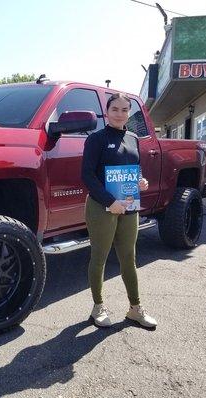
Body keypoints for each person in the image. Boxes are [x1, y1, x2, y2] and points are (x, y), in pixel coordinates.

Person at [81, 92, 157, 328]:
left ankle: (135, 308)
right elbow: (87, 176)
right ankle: (98, 307)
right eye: (115, 109)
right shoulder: (96, 139)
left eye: (125, 110)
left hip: (128, 205)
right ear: (107, 111)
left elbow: (134, 170)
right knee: (100, 257)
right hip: (102, 206)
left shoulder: (133, 138)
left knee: (128, 259)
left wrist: (141, 182)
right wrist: (108, 201)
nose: (120, 114)